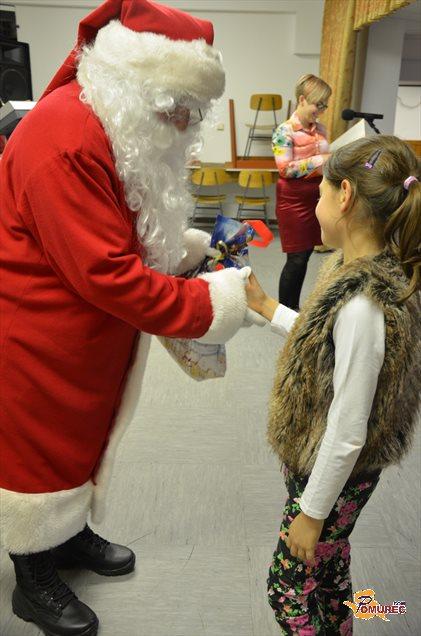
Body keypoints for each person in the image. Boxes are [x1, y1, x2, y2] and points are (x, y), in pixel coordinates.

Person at [0, 1, 260, 635]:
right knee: (39, 449)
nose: (185, 123)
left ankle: (65, 532)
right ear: (130, 81)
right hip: (40, 332)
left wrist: (183, 249)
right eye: (175, 107)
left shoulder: (115, 124)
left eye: (193, 111)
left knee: (83, 435)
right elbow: (106, 272)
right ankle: (32, 573)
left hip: (91, 330)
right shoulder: (63, 139)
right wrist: (214, 304)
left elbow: (121, 222)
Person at [246, 135, 420, 634]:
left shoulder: (364, 303)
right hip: (335, 471)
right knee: (326, 569)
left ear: (344, 196)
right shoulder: (361, 271)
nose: (314, 204)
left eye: (319, 193)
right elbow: (326, 341)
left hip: (332, 475)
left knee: (287, 590)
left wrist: (312, 511)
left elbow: (346, 428)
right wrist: (268, 308)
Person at [272, 74, 331, 310]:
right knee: (295, 257)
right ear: (303, 99)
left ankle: (293, 308)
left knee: (305, 254)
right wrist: (321, 159)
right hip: (293, 199)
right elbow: (285, 169)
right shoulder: (284, 131)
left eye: (325, 105)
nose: (322, 110)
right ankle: (284, 311)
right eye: (319, 104)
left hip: (316, 195)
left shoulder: (321, 129)